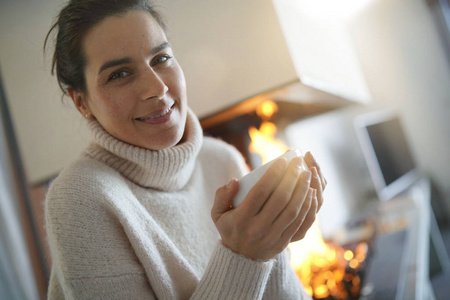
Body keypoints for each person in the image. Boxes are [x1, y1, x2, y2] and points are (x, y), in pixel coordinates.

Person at [44, 0, 327, 299]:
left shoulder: (222, 160)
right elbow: (249, 262)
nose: (157, 88)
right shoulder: (80, 198)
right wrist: (245, 256)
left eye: (161, 58)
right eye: (119, 75)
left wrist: (274, 243)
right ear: (82, 103)